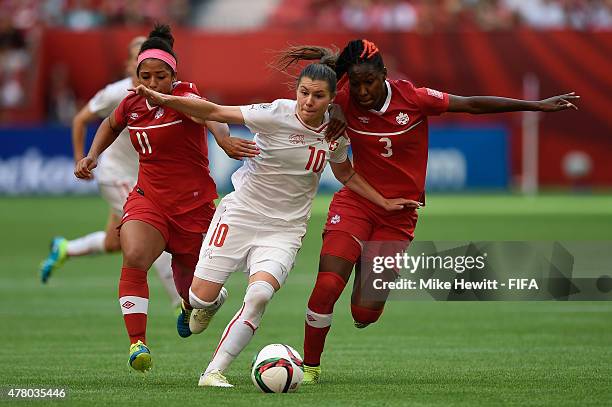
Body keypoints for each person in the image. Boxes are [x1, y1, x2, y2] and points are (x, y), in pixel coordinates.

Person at [276, 39, 581, 384]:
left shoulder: (414, 98)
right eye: (356, 83)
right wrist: (333, 110)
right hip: (357, 202)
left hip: (400, 213)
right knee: (328, 284)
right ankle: (311, 368)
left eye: (369, 82)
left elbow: (470, 105)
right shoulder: (341, 95)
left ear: (384, 76)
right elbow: (312, 103)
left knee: (365, 313)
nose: (362, 91)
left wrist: (535, 106)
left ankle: (366, 262)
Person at [131, 61, 420, 387]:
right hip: (241, 213)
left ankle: (213, 371)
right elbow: (213, 110)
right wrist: (162, 98)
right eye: (304, 92)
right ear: (296, 91)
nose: (308, 101)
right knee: (199, 298)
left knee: (259, 296)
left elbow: (345, 173)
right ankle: (208, 302)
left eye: (318, 96)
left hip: (285, 230)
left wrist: (382, 202)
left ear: (331, 100)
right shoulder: (274, 113)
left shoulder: (334, 133)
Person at [74, 24, 257, 373]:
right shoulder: (130, 102)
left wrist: (223, 139)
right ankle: (137, 343)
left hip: (193, 208)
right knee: (135, 254)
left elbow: (211, 116)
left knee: (194, 295)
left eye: (161, 76)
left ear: (174, 75)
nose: (153, 83)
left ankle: (204, 302)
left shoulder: (185, 95)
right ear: (137, 75)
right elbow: (110, 125)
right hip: (149, 200)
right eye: (147, 76)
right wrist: (92, 155)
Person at [38, 36, 184, 307]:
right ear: (130, 64)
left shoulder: (168, 94)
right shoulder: (117, 94)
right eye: (135, 58)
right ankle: (183, 304)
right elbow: (81, 118)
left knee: (114, 242)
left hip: (144, 178)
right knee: (155, 233)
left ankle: (65, 249)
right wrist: (81, 158)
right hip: (119, 176)